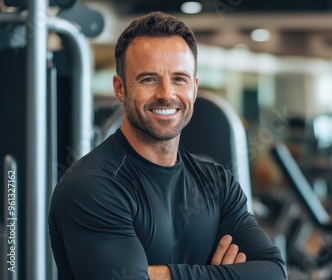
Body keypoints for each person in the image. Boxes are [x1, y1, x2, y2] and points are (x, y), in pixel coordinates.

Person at [48, 11, 286, 280]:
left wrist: (163, 275)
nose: (166, 94)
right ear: (120, 88)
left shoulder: (217, 182)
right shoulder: (93, 186)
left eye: (179, 78)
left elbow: (274, 272)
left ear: (194, 88)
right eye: (149, 79)